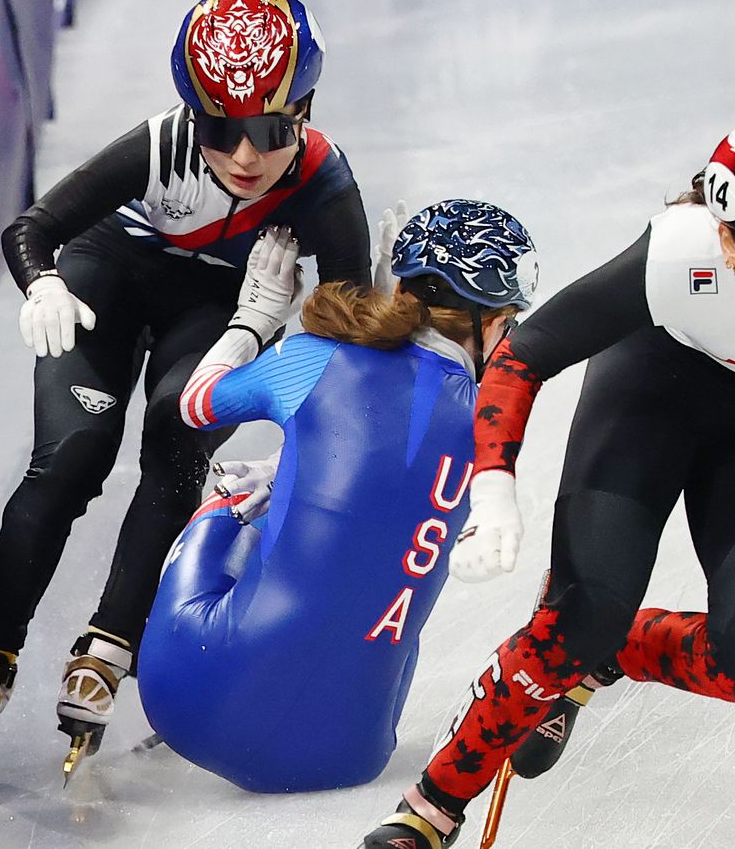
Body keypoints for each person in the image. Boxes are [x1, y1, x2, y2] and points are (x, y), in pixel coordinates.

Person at [360, 113, 735, 847]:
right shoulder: (677, 256)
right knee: (581, 615)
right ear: (729, 241)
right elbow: (524, 355)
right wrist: (493, 491)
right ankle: (430, 806)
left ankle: (614, 652)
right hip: (653, 391)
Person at [0, 0, 371, 795]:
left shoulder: (326, 186)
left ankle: (110, 642)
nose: (243, 155)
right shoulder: (161, 144)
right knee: (71, 457)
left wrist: (257, 335)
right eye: (218, 128)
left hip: (223, 307)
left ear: (304, 112)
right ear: (191, 116)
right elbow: (32, 229)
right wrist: (43, 284)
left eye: (268, 130)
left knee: (175, 437)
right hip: (109, 277)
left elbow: (351, 343)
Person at [137, 199, 539, 793]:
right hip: (354, 751)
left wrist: (255, 317)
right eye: (508, 321)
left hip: (184, 703)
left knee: (237, 498)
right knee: (384, 574)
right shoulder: (494, 420)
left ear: (402, 289)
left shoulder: (312, 356)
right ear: (485, 321)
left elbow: (194, 406)